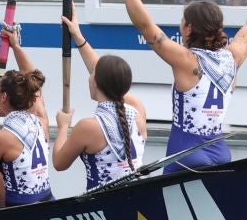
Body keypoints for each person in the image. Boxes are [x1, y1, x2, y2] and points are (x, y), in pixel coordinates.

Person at [117, 0, 247, 172]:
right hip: (220, 151)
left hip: (186, 152)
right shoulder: (232, 58)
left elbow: (144, 25)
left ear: (188, 28)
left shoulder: (186, 60)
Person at [9, 12, 149, 188]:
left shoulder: (88, 127)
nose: (89, 77)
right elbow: (106, 73)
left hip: (102, 208)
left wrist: (63, 126)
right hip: (136, 199)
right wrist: (77, 36)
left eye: (92, 76)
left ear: (96, 83)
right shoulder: (137, 109)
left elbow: (59, 163)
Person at [0, 68, 52, 206]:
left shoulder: (1, 138)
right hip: (48, 200)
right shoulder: (41, 122)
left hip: (19, 210)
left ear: (3, 97)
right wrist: (16, 47)